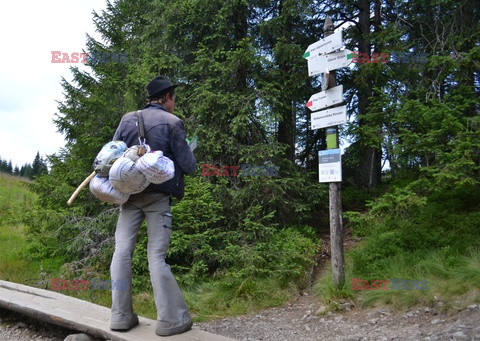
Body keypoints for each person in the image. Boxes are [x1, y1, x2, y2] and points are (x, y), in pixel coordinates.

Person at [109, 76, 196, 336]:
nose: (174, 103)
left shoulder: (128, 119)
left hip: (129, 197)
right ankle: (171, 321)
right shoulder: (173, 122)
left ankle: (120, 317)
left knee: (122, 251)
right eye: (174, 99)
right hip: (158, 198)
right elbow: (189, 167)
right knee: (156, 256)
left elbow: (114, 152)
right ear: (167, 97)